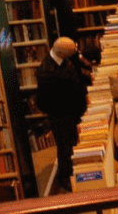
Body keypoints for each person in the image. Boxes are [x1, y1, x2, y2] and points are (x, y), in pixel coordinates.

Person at [36, 36, 92, 193]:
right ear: (62, 53)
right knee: (64, 147)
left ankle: (73, 171)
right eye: (71, 52)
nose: (74, 54)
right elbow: (45, 100)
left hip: (72, 110)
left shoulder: (63, 59)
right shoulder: (46, 71)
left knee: (72, 142)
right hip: (61, 115)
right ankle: (66, 178)